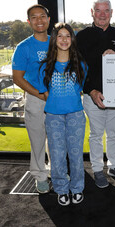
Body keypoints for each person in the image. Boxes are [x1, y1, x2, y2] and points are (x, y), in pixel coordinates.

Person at [76, 0, 115, 188]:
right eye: (98, 10)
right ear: (92, 12)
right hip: (92, 95)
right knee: (96, 135)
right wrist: (91, 91)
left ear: (111, 12)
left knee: (114, 134)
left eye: (106, 10)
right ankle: (98, 169)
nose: (102, 14)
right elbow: (78, 69)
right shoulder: (81, 36)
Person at [38, 23, 87, 206]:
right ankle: (61, 189)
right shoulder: (45, 66)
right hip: (53, 117)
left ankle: (77, 188)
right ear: (54, 39)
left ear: (72, 39)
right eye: (60, 36)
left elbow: (80, 90)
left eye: (68, 36)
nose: (64, 39)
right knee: (57, 156)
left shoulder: (80, 65)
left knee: (75, 155)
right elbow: (44, 92)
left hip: (75, 115)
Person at [12, 4, 51, 193]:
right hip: (36, 100)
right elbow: (17, 78)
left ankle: (55, 171)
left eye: (42, 16)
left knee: (56, 140)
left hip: (56, 100)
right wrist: (40, 94)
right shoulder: (23, 47)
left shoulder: (57, 42)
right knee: (37, 141)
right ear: (29, 22)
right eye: (34, 17)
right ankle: (39, 176)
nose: (39, 20)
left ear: (48, 19)